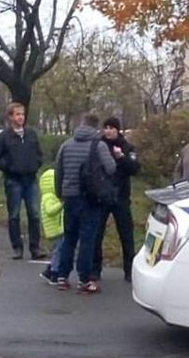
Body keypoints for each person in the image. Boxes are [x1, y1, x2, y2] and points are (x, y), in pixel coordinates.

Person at [54, 113, 116, 293]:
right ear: (96, 127)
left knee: (69, 237)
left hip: (70, 197)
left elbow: (59, 171)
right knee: (87, 239)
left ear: (80, 124)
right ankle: (84, 280)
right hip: (90, 198)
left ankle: (62, 276)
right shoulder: (99, 145)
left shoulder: (66, 144)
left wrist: (60, 193)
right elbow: (111, 168)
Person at [0, 102, 45, 260]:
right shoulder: (4, 137)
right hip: (14, 181)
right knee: (14, 215)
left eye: (23, 114)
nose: (21, 117)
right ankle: (17, 248)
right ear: (11, 117)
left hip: (31, 180)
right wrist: (8, 167)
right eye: (18, 114)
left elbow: (39, 154)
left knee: (34, 214)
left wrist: (35, 164)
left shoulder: (31, 134)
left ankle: (35, 247)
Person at [92, 117, 140, 283]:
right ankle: (95, 269)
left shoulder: (127, 146)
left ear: (118, 130)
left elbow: (134, 169)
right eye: (106, 128)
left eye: (112, 128)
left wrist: (121, 157)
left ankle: (129, 269)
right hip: (102, 196)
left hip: (121, 195)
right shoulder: (98, 146)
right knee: (96, 233)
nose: (108, 131)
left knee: (126, 234)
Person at [38, 167, 64, 285]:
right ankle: (54, 273)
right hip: (55, 229)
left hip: (55, 228)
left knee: (57, 251)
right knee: (58, 251)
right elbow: (50, 211)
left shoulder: (49, 196)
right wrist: (60, 205)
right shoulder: (49, 197)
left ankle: (49, 271)